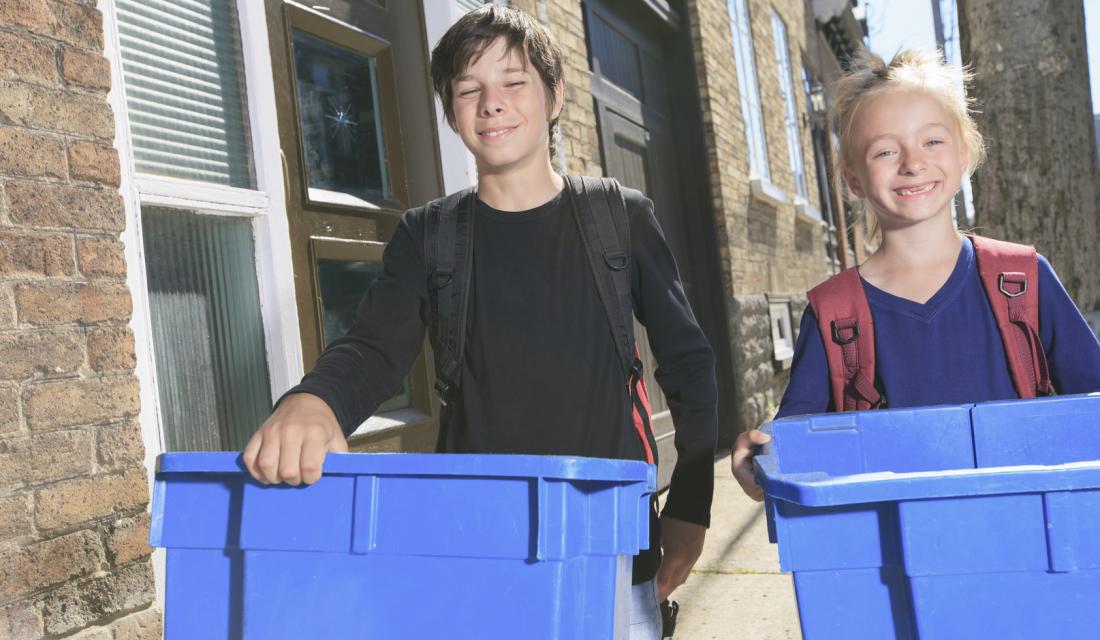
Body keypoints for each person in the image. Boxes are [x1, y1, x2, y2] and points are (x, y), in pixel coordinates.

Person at [242, 6, 718, 637]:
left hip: (608, 543)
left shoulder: (619, 218)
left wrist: (690, 503)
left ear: (555, 97)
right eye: (469, 89)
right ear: (451, 110)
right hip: (475, 539)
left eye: (514, 82)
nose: (491, 103)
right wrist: (316, 400)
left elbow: (689, 363)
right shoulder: (429, 235)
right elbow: (374, 346)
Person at [731, 48, 1100, 501]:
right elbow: (795, 449)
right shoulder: (834, 314)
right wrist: (759, 462)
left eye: (932, 141)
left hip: (1032, 542)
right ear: (852, 179)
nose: (912, 162)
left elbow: (1091, 408)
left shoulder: (1022, 280)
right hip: (898, 555)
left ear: (963, 153)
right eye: (885, 150)